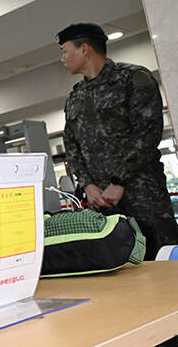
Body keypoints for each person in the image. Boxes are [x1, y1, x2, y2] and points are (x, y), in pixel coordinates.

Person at [58, 22, 178, 259]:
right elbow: (71, 147)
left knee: (163, 258)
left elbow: (147, 133)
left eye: (65, 50)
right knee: (119, 266)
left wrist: (118, 181)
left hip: (143, 194)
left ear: (85, 49)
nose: (62, 58)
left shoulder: (132, 78)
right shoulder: (75, 97)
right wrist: (88, 185)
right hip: (102, 204)